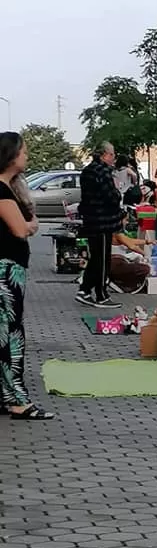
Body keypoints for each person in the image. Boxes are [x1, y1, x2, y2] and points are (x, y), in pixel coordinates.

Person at [0, 132, 53, 420]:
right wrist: (32, 225)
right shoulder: (1, 190)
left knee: (5, 332)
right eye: (23, 151)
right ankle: (16, 399)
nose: (26, 156)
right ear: (10, 155)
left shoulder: (9, 188)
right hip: (5, 270)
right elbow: (20, 229)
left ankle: (6, 395)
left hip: (10, 268)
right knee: (10, 333)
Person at [76, 141, 123, 309]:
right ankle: (101, 294)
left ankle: (85, 290)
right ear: (105, 155)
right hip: (102, 221)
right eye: (112, 155)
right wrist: (117, 193)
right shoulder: (103, 171)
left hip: (90, 219)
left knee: (95, 257)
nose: (113, 158)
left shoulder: (87, 170)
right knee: (103, 259)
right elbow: (111, 196)